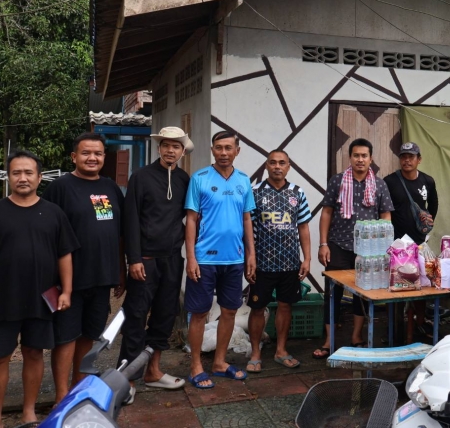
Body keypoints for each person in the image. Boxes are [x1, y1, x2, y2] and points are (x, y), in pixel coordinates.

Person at [0, 151, 78, 428]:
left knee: (34, 353)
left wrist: (66, 291)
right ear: (8, 177)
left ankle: (29, 411)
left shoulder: (54, 213)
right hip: (0, 300)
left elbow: (64, 255)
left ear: (40, 177)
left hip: (41, 299)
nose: (23, 178)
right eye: (16, 172)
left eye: (29, 172)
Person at [43, 132, 126, 403]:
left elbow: (118, 233)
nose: (92, 158)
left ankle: (78, 389)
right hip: (69, 281)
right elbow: (46, 234)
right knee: (66, 337)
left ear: (104, 157)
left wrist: (121, 271)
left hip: (101, 277)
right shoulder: (60, 188)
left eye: (98, 153)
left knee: (89, 335)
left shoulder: (110, 187)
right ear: (74, 156)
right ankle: (61, 397)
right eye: (86, 153)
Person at [117, 127, 194, 400]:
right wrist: (134, 259)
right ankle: (126, 379)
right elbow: (130, 220)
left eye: (176, 146)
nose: (170, 150)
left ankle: (153, 371)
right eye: (166, 145)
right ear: (159, 148)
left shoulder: (184, 179)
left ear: (183, 151)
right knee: (136, 316)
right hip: (145, 260)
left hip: (172, 259)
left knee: (165, 315)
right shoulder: (141, 177)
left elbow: (189, 218)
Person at [184, 131, 256, 388]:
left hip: (234, 259)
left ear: (237, 150)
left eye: (228, 148)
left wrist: (251, 254)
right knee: (199, 312)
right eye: (218, 148)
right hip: (204, 259)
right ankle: (196, 366)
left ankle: (219, 362)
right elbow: (191, 219)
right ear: (212, 150)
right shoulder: (200, 178)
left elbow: (246, 219)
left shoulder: (243, 180)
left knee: (229, 310)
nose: (223, 152)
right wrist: (191, 257)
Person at [313, 138, 394, 359]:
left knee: (363, 293)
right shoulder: (337, 181)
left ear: (371, 159)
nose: (360, 159)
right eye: (356, 155)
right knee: (333, 293)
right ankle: (329, 341)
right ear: (350, 157)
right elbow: (327, 212)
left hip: (368, 250)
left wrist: (383, 248)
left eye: (364, 155)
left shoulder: (379, 185)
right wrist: (323, 244)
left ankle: (356, 337)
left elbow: (385, 216)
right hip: (338, 245)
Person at [246, 149, 312, 372]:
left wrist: (306, 258)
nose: (277, 166)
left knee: (285, 306)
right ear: (266, 166)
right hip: (261, 264)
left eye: (282, 163)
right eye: (273, 162)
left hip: (290, 263)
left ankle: (281, 351)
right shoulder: (254, 192)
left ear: (288, 166)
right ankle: (255, 353)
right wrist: (249, 258)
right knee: (257, 308)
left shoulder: (297, 192)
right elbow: (247, 227)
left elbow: (303, 227)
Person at [383, 142, 439, 343]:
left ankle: (420, 323)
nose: (407, 160)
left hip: (420, 244)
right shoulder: (390, 181)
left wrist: (426, 224)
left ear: (419, 159)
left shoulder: (427, 181)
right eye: (403, 156)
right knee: (397, 288)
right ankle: (395, 328)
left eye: (411, 156)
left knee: (422, 285)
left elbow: (433, 205)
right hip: (397, 245)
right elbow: (384, 209)